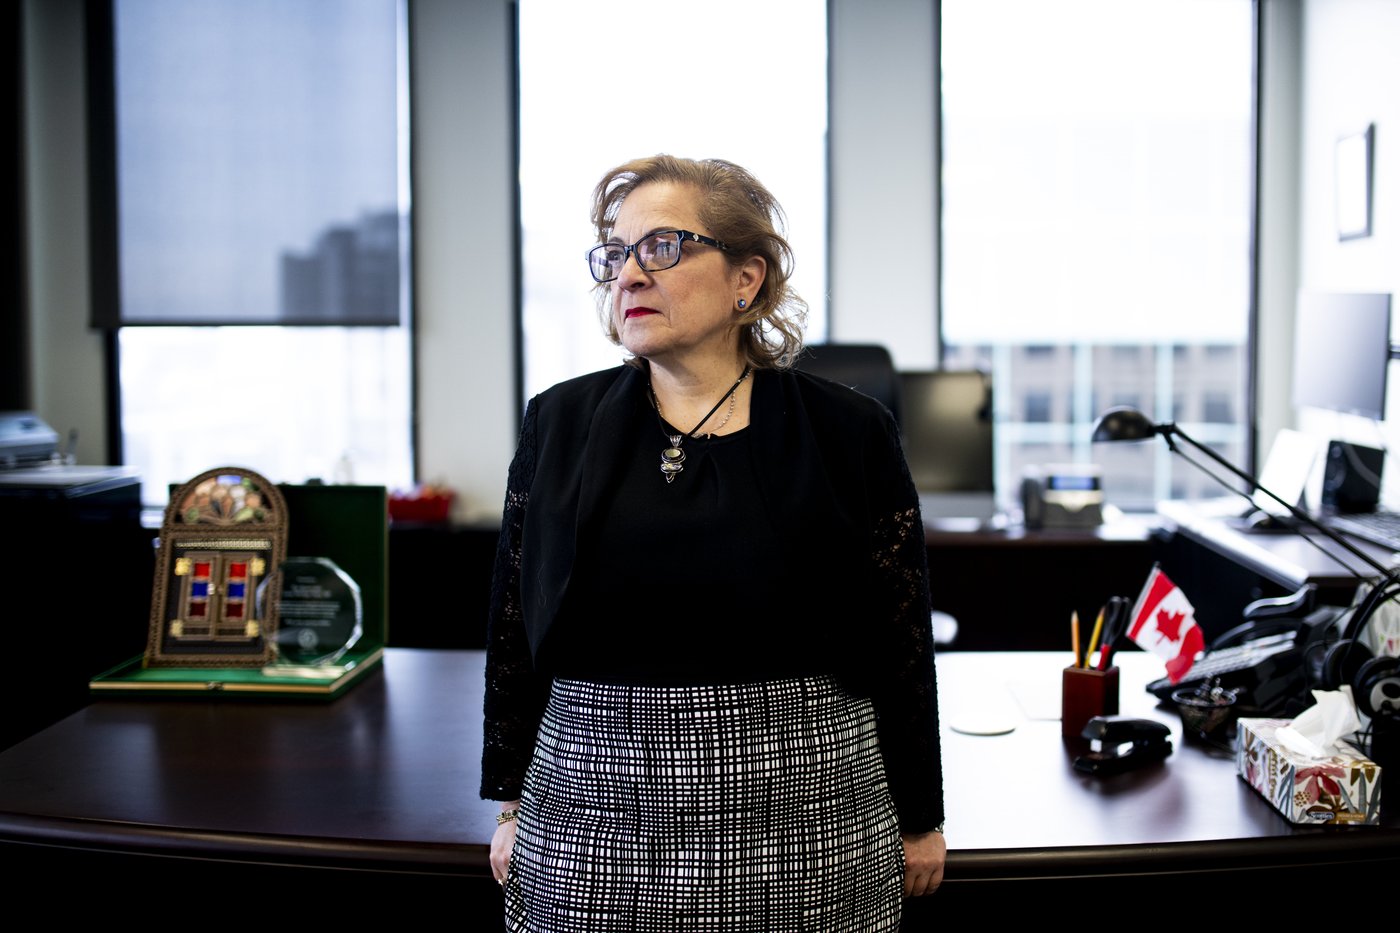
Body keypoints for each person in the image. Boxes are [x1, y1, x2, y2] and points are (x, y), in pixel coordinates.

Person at [482, 154, 945, 931]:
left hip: (810, 817)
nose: (629, 274)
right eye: (616, 254)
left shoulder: (849, 430)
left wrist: (921, 814)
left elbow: (901, 637)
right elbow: (512, 627)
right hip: (592, 816)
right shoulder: (557, 423)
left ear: (746, 279)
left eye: (662, 247)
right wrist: (509, 800)